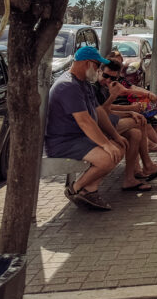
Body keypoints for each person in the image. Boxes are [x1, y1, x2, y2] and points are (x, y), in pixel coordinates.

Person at [44, 46, 125, 210]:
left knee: (118, 149)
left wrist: (115, 137)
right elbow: (85, 122)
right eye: (97, 65)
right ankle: (76, 189)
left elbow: (99, 112)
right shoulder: (68, 86)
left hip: (78, 139)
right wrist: (106, 144)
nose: (98, 69)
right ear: (88, 63)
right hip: (64, 142)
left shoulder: (83, 83)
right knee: (109, 157)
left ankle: (89, 190)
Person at [102, 51, 157, 163]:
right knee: (141, 123)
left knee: (151, 121)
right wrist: (131, 109)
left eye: (120, 63)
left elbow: (130, 89)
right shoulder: (102, 85)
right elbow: (105, 108)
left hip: (122, 111)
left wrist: (148, 95)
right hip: (113, 118)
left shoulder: (118, 80)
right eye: (117, 62)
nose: (119, 65)